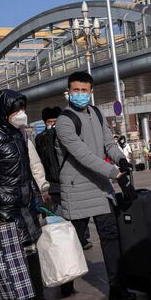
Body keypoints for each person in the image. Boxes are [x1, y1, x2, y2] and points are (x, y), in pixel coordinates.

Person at [0, 90, 58, 300]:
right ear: (4, 111)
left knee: (31, 251)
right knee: (9, 254)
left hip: (25, 203)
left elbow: (28, 170)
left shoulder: (21, 135)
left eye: (22, 109)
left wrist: (37, 196)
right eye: (16, 109)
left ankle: (37, 298)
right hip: (3, 206)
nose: (21, 114)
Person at [56, 71, 136, 300]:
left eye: (84, 90)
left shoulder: (96, 113)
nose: (80, 94)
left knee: (110, 236)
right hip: (77, 189)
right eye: (76, 90)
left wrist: (121, 159)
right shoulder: (64, 121)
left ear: (91, 92)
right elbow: (83, 156)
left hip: (100, 189)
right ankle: (65, 279)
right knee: (75, 240)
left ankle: (117, 287)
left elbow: (107, 143)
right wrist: (115, 173)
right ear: (68, 92)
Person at [34, 106, 93, 250]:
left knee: (77, 211)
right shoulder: (40, 138)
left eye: (56, 121)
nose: (53, 124)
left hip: (70, 180)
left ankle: (82, 238)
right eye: (50, 122)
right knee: (58, 213)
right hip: (52, 183)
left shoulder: (67, 135)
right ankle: (64, 239)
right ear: (45, 122)